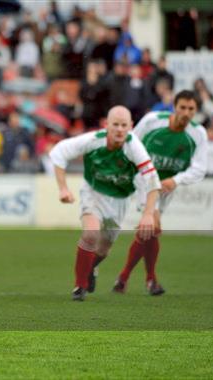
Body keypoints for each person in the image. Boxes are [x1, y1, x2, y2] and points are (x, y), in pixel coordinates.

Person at [49, 106, 161, 301]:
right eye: (115, 125)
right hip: (93, 193)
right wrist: (63, 188)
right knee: (90, 234)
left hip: (120, 199)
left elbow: (152, 180)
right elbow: (59, 152)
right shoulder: (93, 140)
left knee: (103, 250)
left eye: (124, 125)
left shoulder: (134, 146)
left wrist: (149, 213)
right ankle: (80, 286)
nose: (119, 129)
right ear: (106, 125)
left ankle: (90, 268)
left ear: (131, 127)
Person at [114, 90, 208, 295]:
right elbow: (130, 142)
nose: (186, 112)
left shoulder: (198, 134)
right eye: (182, 107)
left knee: (149, 232)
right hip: (144, 181)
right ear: (174, 107)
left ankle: (123, 279)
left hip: (166, 186)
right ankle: (149, 280)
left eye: (191, 109)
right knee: (153, 226)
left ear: (196, 111)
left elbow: (200, 168)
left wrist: (175, 180)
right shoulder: (152, 121)